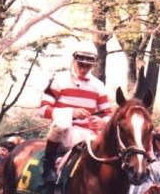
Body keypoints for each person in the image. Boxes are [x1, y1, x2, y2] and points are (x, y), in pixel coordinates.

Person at [40, 40, 112, 183]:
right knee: (61, 123)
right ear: (73, 60)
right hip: (63, 134)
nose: (84, 69)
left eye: (88, 66)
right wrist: (71, 112)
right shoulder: (59, 80)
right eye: (81, 64)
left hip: (88, 136)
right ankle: (48, 164)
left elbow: (108, 114)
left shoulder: (98, 85)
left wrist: (102, 122)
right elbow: (43, 110)